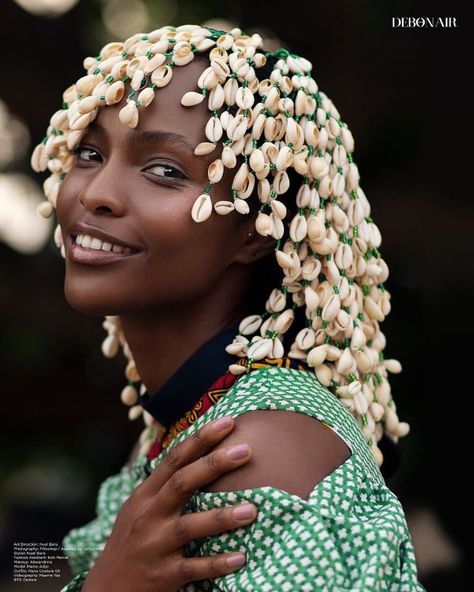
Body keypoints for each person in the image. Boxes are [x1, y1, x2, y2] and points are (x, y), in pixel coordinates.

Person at [31, 23, 426, 591]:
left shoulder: (259, 445)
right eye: (91, 152)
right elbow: (61, 559)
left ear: (255, 231)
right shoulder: (188, 419)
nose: (94, 192)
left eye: (165, 170)